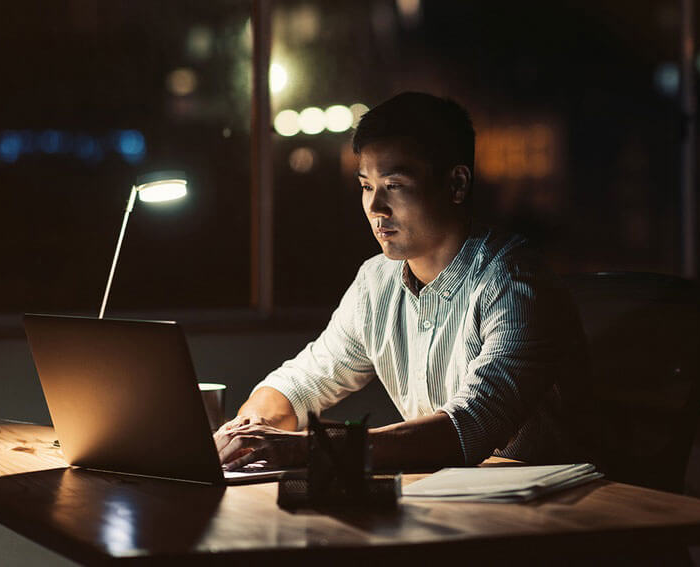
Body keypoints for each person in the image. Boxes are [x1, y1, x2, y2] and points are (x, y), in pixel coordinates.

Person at [215, 92, 596, 471]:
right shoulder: (376, 281)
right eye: (367, 186)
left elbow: (470, 428)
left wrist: (309, 448)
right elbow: (302, 381)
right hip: (451, 500)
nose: (376, 208)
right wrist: (250, 430)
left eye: (394, 185)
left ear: (457, 184)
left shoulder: (515, 283)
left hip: (554, 509)